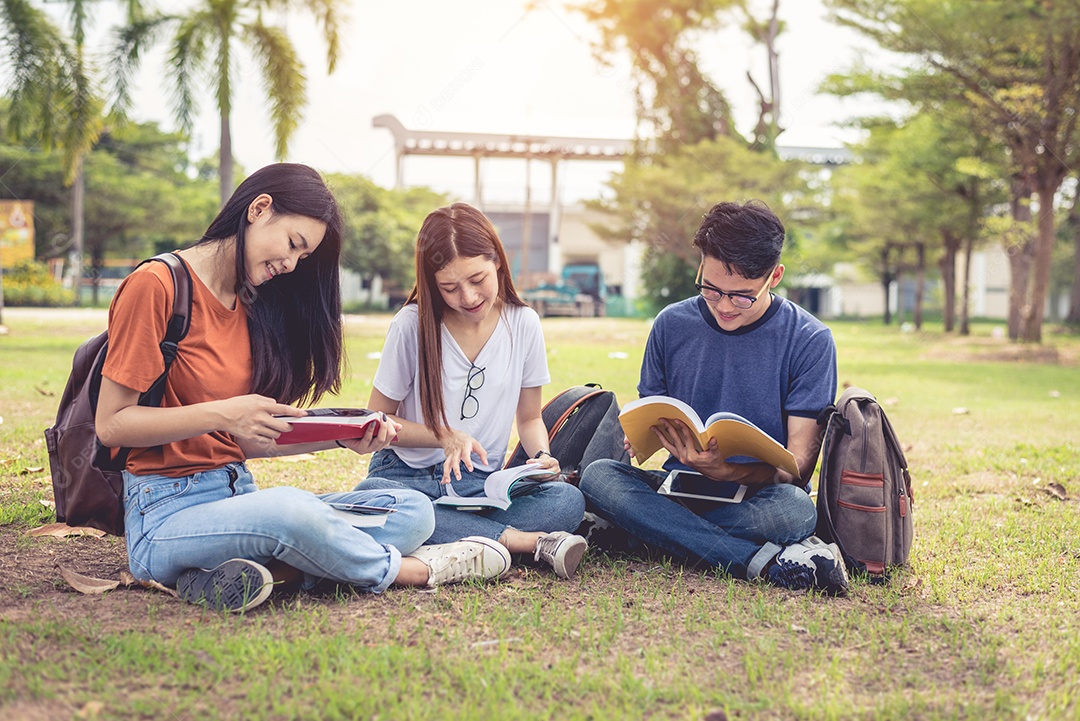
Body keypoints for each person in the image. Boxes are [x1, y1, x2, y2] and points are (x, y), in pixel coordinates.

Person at [95, 164, 511, 613]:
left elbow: (241, 444)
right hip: (164, 517)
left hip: (237, 500)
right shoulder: (157, 285)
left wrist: (342, 437)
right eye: (293, 244)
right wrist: (224, 412)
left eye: (303, 257)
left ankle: (257, 572)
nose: (291, 265)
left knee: (410, 510)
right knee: (291, 512)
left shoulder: (248, 303)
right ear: (259, 209)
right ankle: (420, 570)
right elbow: (112, 425)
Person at [578, 200, 851, 595]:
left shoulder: (809, 340)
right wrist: (639, 439)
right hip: (678, 489)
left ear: (774, 277)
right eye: (711, 288)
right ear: (701, 267)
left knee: (794, 512)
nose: (724, 305)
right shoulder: (671, 325)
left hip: (756, 499)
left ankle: (646, 531)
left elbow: (796, 470)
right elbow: (651, 425)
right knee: (599, 477)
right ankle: (761, 562)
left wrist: (729, 472)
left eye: (742, 296)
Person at [355, 203, 589, 579]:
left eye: (477, 278)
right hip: (405, 476)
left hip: (479, 484)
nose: (467, 297)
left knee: (567, 501)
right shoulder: (411, 325)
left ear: (497, 259)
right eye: (449, 287)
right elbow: (376, 422)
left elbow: (528, 418)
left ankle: (449, 537)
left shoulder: (523, 323)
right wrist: (443, 436)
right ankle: (521, 541)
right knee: (390, 501)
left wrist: (543, 456)